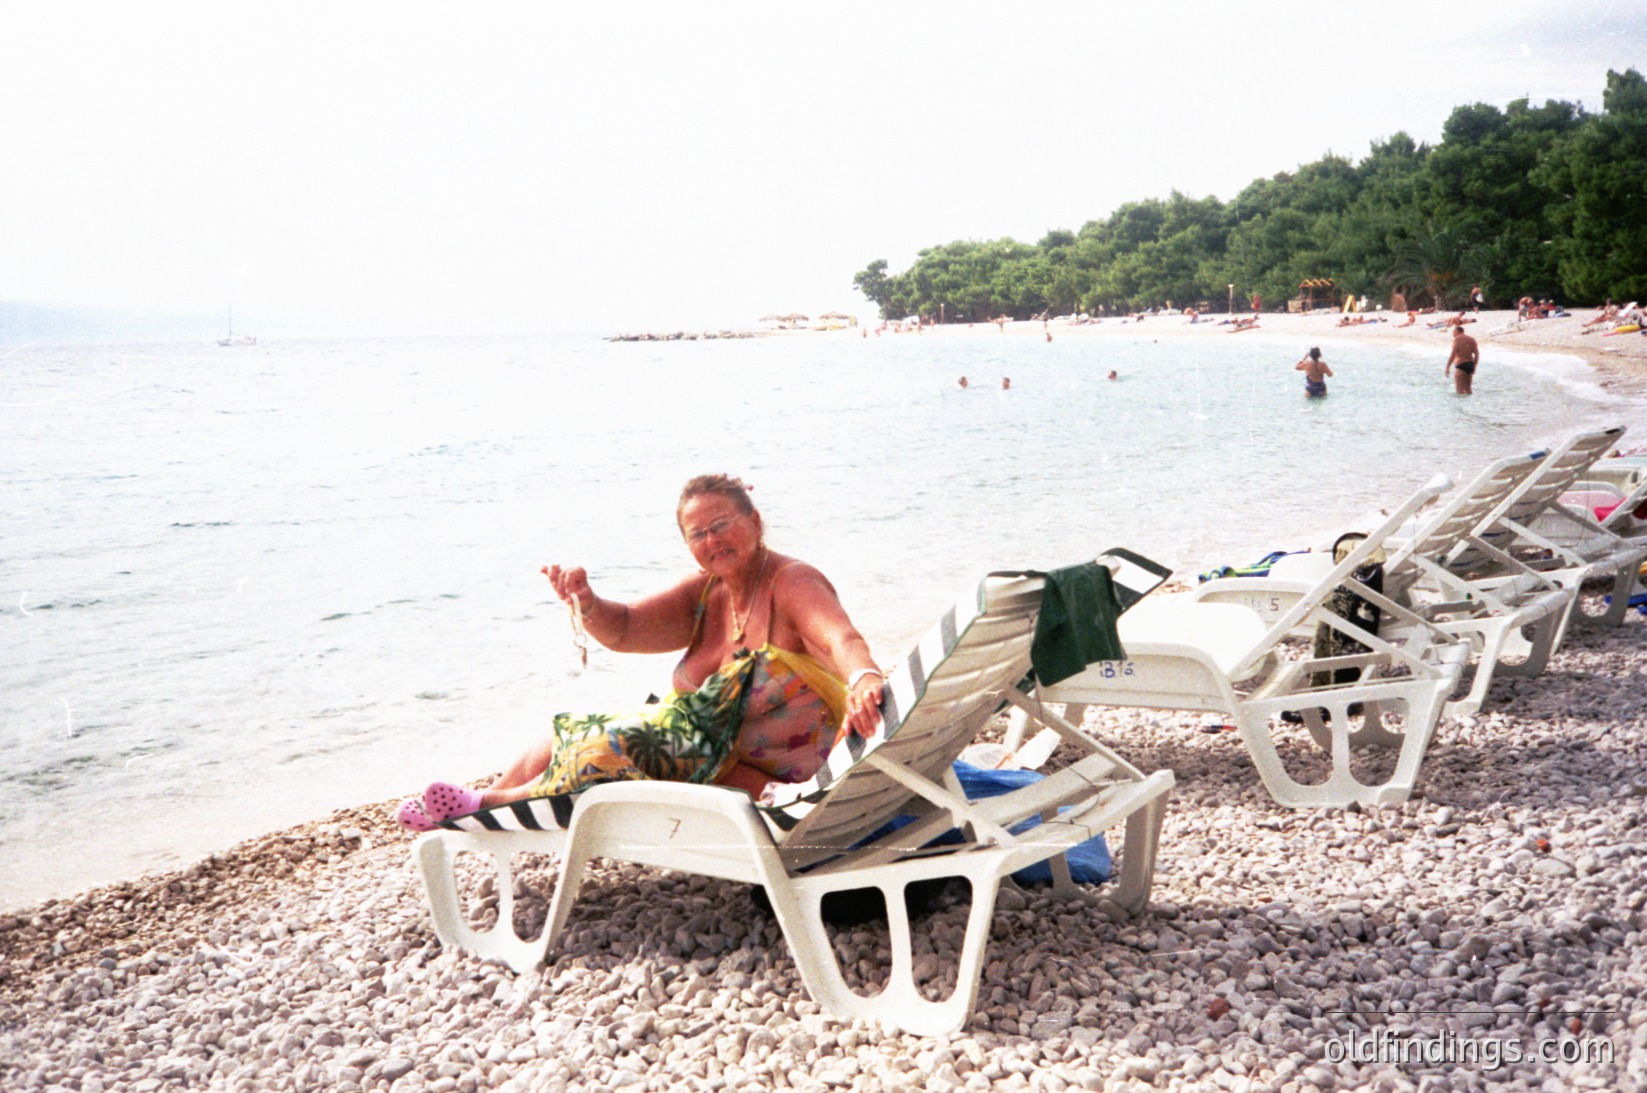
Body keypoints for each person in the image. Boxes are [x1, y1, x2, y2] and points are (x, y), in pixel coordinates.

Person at [396, 475, 884, 830]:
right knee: (557, 734)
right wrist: (586, 602)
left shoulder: (791, 581)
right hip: (704, 760)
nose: (712, 540)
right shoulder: (706, 591)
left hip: (767, 777)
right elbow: (626, 628)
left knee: (607, 747)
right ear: (688, 544)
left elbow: (839, 637)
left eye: (722, 524)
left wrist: (863, 676)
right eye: (698, 533)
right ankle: (472, 817)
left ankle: (483, 805)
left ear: (754, 521)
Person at [1446, 325, 1480, 395]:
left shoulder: (1457, 339)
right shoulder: (1472, 339)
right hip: (1470, 365)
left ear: (1457, 331)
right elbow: (1477, 354)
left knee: (1459, 391)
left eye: (1453, 333)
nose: (1453, 335)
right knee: (1468, 390)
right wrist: (1474, 366)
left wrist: (1447, 367)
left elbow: (1453, 354)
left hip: (1461, 365)